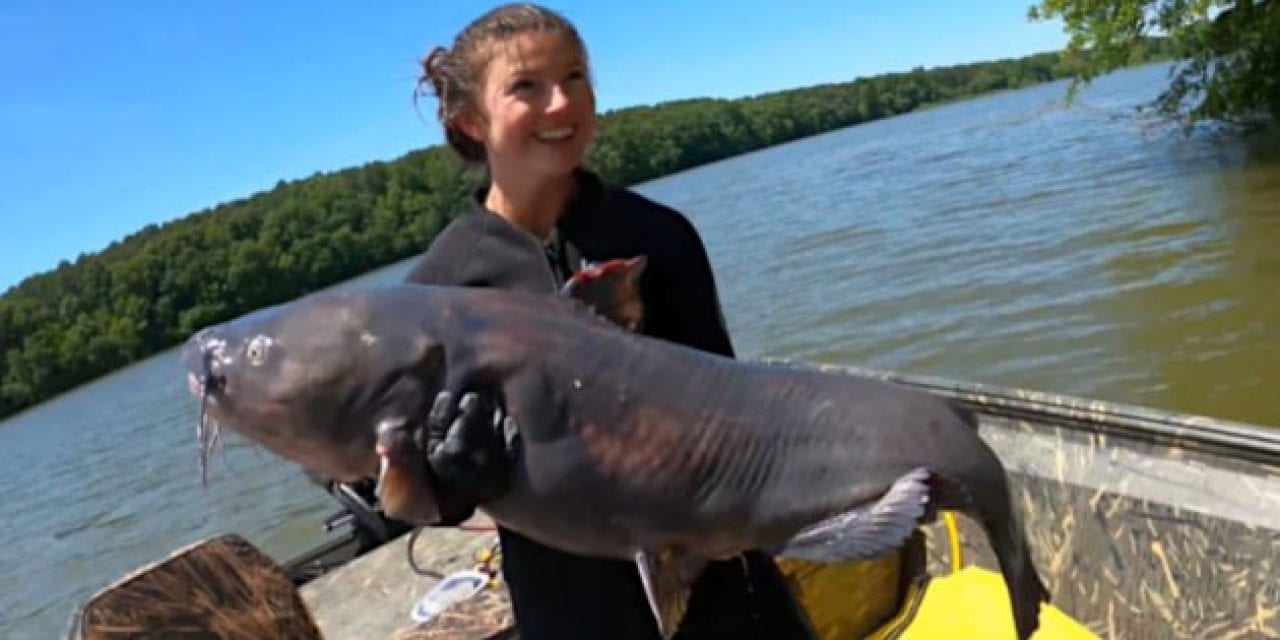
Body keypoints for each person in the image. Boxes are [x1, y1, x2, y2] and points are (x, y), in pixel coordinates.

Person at [403, 4, 820, 639]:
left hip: (720, 581)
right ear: (470, 120)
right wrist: (442, 480)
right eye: (526, 87)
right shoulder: (442, 287)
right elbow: (380, 469)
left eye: (574, 77)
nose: (561, 103)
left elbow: (730, 401)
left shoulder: (657, 234)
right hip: (571, 605)